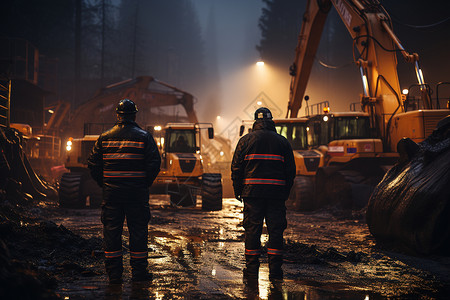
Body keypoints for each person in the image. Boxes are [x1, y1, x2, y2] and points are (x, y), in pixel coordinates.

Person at [88, 99, 161, 284]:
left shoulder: (104, 137)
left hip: (112, 194)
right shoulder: (144, 137)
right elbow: (154, 163)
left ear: (118, 115)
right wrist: (144, 183)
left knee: (112, 232)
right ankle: (139, 273)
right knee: (138, 231)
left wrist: (104, 183)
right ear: (134, 115)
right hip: (136, 194)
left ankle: (114, 275)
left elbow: (93, 164)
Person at [231, 107, 296, 285]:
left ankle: (252, 270)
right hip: (276, 195)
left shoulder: (245, 141)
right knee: (276, 231)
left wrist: (238, 190)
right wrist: (285, 191)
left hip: (252, 194)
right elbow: (290, 171)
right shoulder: (283, 142)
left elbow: (236, 168)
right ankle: (275, 271)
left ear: (255, 121)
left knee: (252, 230)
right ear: (271, 120)